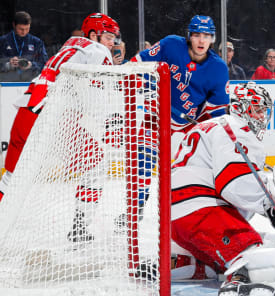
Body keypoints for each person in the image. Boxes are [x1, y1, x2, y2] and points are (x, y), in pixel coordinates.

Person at [166, 82, 275, 296]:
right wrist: (272, 207)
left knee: (220, 252)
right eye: (258, 109)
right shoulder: (238, 129)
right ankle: (239, 280)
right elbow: (234, 182)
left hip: (176, 217)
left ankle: (189, 263)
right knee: (249, 247)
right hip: (199, 210)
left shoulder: (211, 126)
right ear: (242, 108)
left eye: (264, 110)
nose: (263, 115)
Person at [0, 13, 119, 209]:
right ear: (93, 35)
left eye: (114, 39)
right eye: (107, 37)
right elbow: (94, 98)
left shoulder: (71, 44)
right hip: (52, 118)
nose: (111, 43)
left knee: (10, 178)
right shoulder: (98, 51)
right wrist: (109, 123)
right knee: (95, 164)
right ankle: (81, 225)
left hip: (26, 112)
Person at [135, 15, 229, 133]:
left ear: (212, 39)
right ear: (189, 36)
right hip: (156, 117)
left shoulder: (218, 68)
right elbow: (136, 65)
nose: (201, 40)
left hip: (188, 126)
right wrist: (144, 84)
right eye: (196, 35)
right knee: (145, 151)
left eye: (206, 36)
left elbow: (218, 112)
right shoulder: (171, 45)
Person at [0, 11, 48, 82]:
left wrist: (31, 65)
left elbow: (45, 64)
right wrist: (8, 64)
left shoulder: (37, 42)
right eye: (21, 29)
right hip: (6, 85)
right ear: (14, 25)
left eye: (27, 28)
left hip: (30, 84)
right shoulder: (3, 41)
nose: (24, 32)